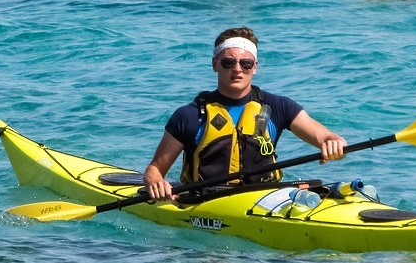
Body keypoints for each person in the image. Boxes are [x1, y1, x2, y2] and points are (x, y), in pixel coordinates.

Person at [143, 27, 347, 202]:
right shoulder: (189, 115)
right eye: (228, 63)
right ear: (215, 64)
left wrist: (334, 144)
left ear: (255, 67)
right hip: (206, 200)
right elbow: (155, 170)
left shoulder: (278, 106)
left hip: (266, 197)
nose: (237, 69)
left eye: (246, 63)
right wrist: (157, 183)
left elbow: (327, 138)